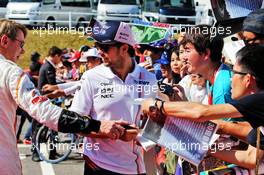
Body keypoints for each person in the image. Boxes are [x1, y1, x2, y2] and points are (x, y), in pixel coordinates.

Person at [0, 19, 127, 175]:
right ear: (5, 41)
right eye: (21, 44)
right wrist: (97, 125)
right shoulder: (9, 71)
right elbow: (43, 111)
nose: (23, 51)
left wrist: (60, 89)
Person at [142, 44, 264, 169]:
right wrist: (200, 148)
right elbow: (251, 158)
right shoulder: (255, 106)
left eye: (187, 50)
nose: (230, 79)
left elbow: (202, 112)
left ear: (248, 79)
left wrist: (158, 105)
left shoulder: (256, 99)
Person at [70, 19, 158, 175]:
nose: (99, 52)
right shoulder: (91, 77)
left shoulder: (149, 78)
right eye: (97, 46)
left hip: (137, 167)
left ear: (124, 48)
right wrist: (107, 131)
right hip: (99, 166)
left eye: (104, 47)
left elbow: (154, 124)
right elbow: (74, 123)